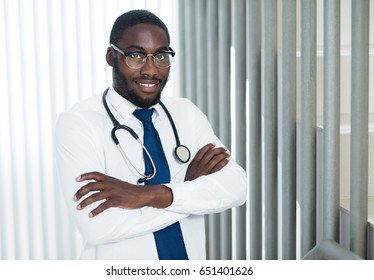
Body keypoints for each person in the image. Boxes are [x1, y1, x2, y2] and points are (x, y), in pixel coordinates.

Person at [54, 9, 247, 260]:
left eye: (161, 55)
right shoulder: (78, 124)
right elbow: (99, 227)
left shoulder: (186, 113)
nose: (151, 69)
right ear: (111, 56)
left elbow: (236, 187)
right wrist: (190, 192)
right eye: (136, 55)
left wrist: (146, 195)